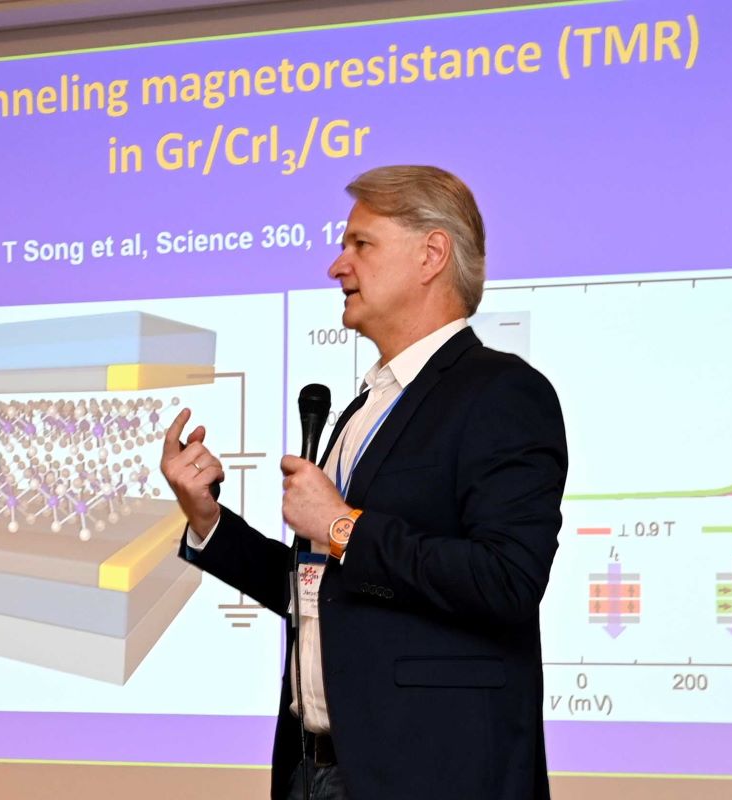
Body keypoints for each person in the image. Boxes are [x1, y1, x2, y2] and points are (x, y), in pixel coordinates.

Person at [160, 165, 567, 799]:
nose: (337, 266)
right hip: (313, 768)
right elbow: (325, 590)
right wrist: (208, 520)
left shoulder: (502, 393)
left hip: (431, 779)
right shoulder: (367, 407)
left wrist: (342, 526)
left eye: (361, 244)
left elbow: (506, 580)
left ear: (431, 254)